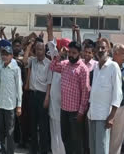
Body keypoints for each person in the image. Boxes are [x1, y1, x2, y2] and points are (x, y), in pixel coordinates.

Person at [51, 39, 90, 154]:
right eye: (70, 52)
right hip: (64, 110)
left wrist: (81, 112)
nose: (71, 55)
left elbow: (85, 91)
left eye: (74, 53)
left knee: (76, 141)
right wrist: (59, 54)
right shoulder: (64, 64)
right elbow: (52, 67)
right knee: (65, 138)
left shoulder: (83, 69)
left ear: (79, 53)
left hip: (75, 112)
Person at [87, 38, 122, 154]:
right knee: (93, 149)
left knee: (101, 149)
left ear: (108, 50)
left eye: (103, 48)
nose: (100, 50)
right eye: (98, 48)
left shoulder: (113, 66)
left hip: (104, 117)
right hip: (92, 115)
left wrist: (112, 116)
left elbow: (118, 93)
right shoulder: (96, 67)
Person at [0, 40, 23, 154]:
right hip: (1, 104)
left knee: (10, 132)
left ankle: (10, 151)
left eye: (7, 54)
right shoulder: (0, 68)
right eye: (3, 54)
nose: (4, 56)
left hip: (11, 106)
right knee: (2, 132)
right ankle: (4, 150)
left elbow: (19, 89)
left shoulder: (16, 69)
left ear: (11, 56)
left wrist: (19, 105)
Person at [23, 41, 52, 154]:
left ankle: (44, 150)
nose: (39, 52)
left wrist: (47, 98)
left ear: (44, 50)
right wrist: (29, 46)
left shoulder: (49, 63)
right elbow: (24, 61)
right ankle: (33, 149)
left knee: (43, 125)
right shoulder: (32, 61)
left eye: (41, 49)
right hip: (32, 95)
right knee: (33, 124)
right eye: (37, 49)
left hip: (42, 96)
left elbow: (49, 83)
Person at [47, 16, 67, 154]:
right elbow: (49, 40)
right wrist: (50, 26)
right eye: (63, 48)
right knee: (54, 130)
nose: (65, 51)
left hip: (65, 104)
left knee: (62, 131)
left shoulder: (72, 63)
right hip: (54, 102)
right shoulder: (55, 57)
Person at [109, 44, 124, 154]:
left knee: (118, 139)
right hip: (109, 107)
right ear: (115, 54)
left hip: (123, 107)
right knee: (107, 136)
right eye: (123, 53)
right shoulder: (108, 66)